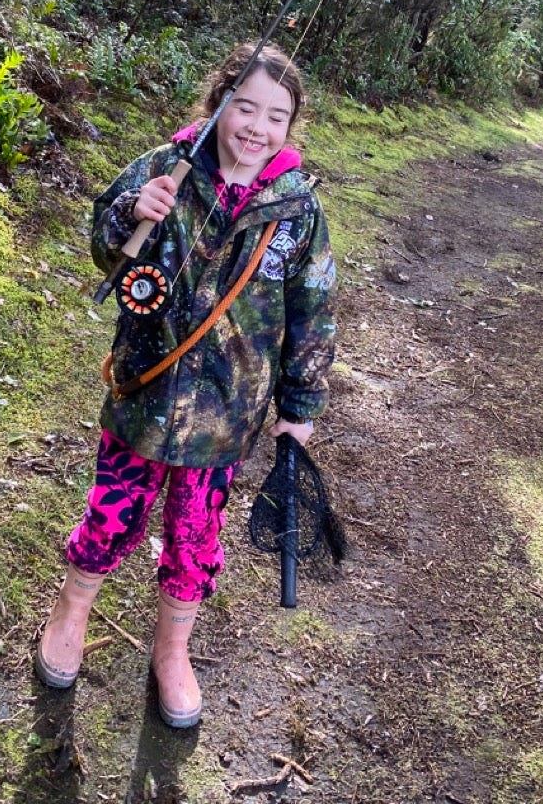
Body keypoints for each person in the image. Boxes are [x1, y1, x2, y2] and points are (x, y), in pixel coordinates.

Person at [35, 41, 336, 727]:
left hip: (228, 417)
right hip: (145, 394)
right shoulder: (164, 168)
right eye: (246, 108)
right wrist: (130, 213)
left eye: (276, 116)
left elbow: (314, 311)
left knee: (196, 537)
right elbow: (103, 245)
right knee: (113, 512)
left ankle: (172, 651)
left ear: (291, 127)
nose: (257, 128)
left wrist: (301, 405)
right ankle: (71, 611)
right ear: (219, 103)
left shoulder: (298, 212)